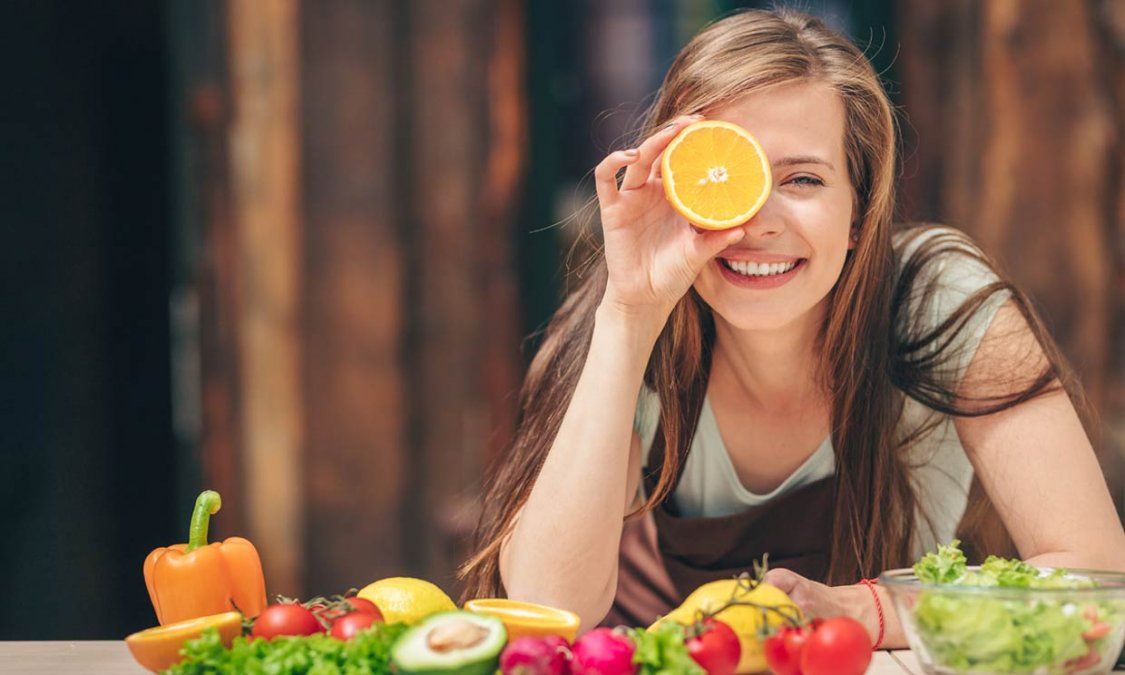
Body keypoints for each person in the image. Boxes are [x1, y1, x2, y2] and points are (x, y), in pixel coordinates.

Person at [459, 8, 1125, 648]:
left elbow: (1101, 580)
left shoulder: (935, 297)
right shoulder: (629, 319)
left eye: (801, 178)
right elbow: (546, 610)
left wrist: (863, 611)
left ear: (859, 214)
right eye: (726, 179)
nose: (756, 221)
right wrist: (629, 315)